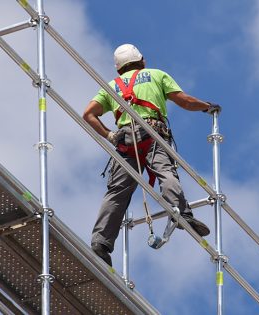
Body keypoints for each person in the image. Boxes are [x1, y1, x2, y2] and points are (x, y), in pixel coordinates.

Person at [83, 43, 221, 266]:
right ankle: (182, 214)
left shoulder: (111, 87)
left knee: (117, 192)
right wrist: (206, 106)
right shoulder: (156, 75)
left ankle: (100, 242)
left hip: (125, 140)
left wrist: (109, 135)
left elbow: (88, 114)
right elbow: (184, 100)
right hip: (152, 133)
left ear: (119, 68)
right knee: (166, 172)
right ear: (142, 60)